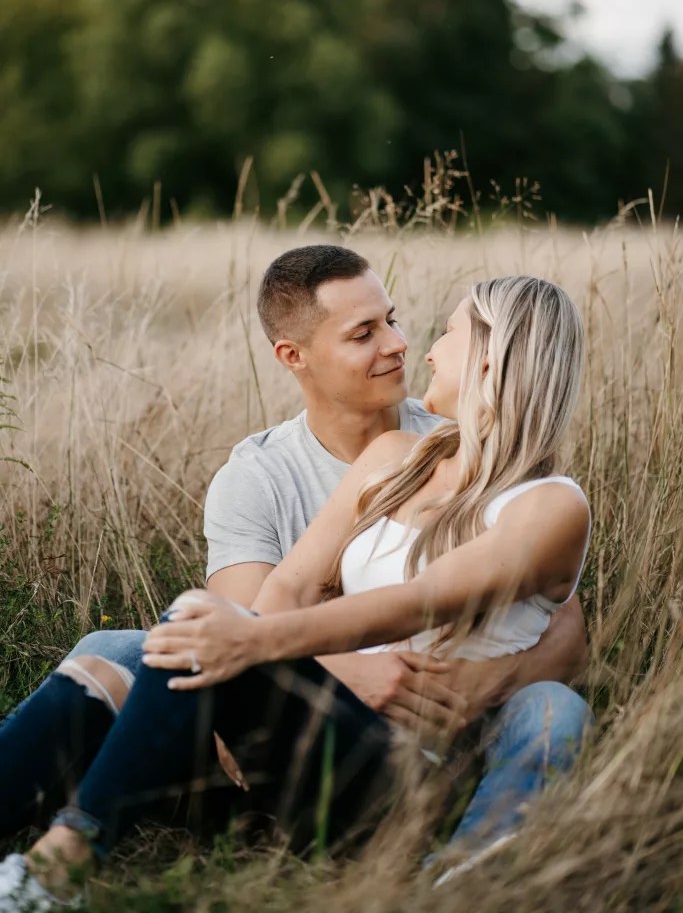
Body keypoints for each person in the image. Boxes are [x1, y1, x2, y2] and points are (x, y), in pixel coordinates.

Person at [0, 273, 593, 910]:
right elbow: (292, 583)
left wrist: (251, 639)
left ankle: (59, 870)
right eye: (367, 331)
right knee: (178, 627)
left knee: (200, 625)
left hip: (411, 771)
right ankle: (56, 866)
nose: (419, 348)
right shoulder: (395, 455)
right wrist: (248, 640)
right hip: (323, 733)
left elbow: (426, 598)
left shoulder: (550, 505)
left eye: (446, 333)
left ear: (488, 355)